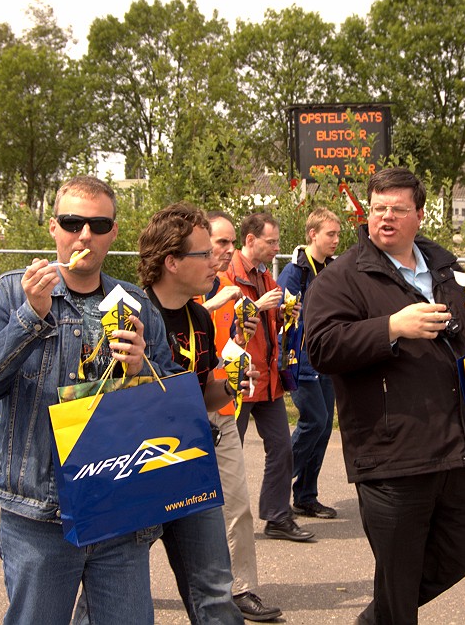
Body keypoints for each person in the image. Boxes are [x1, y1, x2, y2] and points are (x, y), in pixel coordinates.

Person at [0, 176, 177, 624]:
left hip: (119, 512)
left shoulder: (135, 303)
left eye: (98, 224)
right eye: (73, 222)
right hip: (39, 515)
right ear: (53, 228)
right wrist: (29, 318)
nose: (85, 235)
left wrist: (143, 369)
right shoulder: (10, 292)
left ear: (114, 232)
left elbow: (171, 400)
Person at [306, 166, 465, 624]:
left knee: (462, 552)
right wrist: (391, 327)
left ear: (419, 214)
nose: (385, 218)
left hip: (453, 446)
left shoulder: (445, 265)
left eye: (397, 209)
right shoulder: (343, 277)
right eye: (378, 209)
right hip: (390, 453)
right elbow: (320, 348)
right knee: (398, 579)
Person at [136, 202, 244, 623]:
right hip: (139, 471)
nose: (217, 259)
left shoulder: (200, 314)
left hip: (191, 466)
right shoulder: (127, 313)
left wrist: (232, 383)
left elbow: (202, 397)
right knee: (112, 600)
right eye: (204, 253)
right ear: (172, 261)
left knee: (216, 592)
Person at [201, 210, 282, 622]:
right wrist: (212, 304)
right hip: (176, 419)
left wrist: (241, 344)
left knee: (237, 506)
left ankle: (242, 589)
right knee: (152, 517)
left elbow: (231, 344)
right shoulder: (179, 288)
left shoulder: (232, 287)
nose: (228, 251)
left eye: (232, 243)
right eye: (221, 243)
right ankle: (114, 581)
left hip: (222, 410)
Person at [224, 212, 313, 543]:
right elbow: (224, 318)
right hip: (239, 379)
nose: (277, 248)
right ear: (251, 240)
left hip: (267, 377)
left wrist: (286, 313)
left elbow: (272, 319)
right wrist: (259, 306)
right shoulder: (227, 274)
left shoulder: (265, 276)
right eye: (271, 241)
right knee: (229, 454)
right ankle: (215, 523)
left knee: (281, 448)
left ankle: (277, 515)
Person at [276, 207, 340, 519]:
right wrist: (285, 361)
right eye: (331, 234)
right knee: (313, 420)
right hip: (301, 362)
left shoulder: (333, 269)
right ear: (313, 234)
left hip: (327, 360)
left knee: (325, 426)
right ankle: (277, 486)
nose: (336, 240)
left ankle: (305, 496)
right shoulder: (295, 272)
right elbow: (282, 321)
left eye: (338, 234)